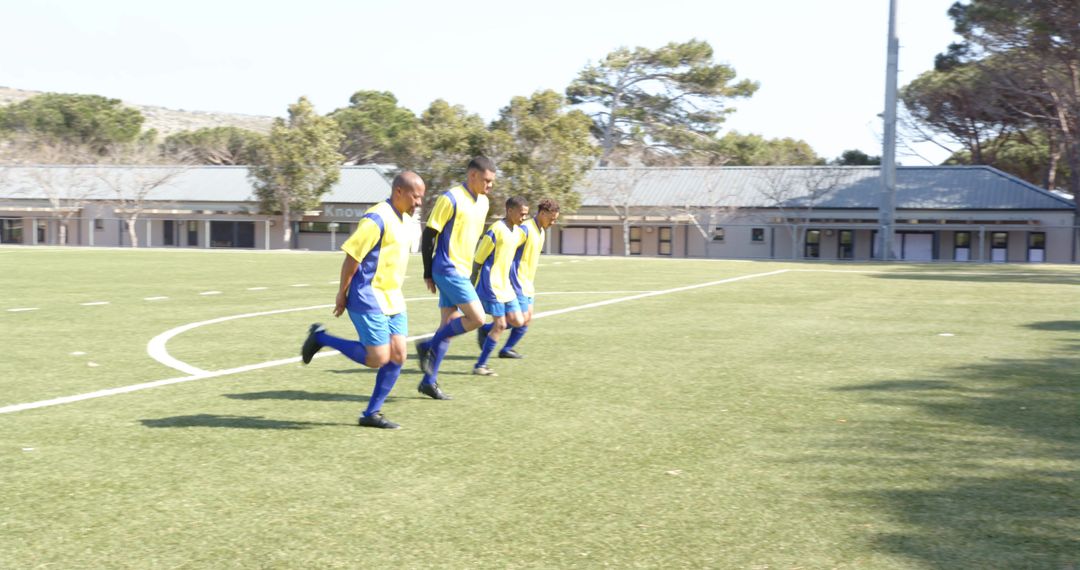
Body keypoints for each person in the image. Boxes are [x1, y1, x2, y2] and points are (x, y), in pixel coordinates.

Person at [300, 171, 426, 429]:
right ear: (399, 192)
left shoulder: (406, 219)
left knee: (399, 356)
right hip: (368, 295)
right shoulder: (376, 218)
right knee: (377, 358)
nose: (419, 203)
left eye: (422, 197)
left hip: (394, 298)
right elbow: (352, 258)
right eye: (416, 196)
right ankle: (320, 338)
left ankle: (371, 413)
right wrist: (342, 293)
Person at [414, 156, 495, 399]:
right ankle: (426, 345)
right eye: (487, 181)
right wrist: (428, 271)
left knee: (448, 326)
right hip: (447, 269)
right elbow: (429, 235)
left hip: (461, 271)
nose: (490, 185)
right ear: (472, 175)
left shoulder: (484, 203)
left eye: (492, 182)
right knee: (478, 318)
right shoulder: (450, 199)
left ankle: (429, 381)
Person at [480, 198, 560, 359]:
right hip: (516, 281)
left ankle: (505, 348)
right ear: (542, 213)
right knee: (521, 318)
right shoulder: (525, 229)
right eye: (552, 219)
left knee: (526, 319)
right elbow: (507, 248)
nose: (553, 222)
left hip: (527, 282)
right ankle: (488, 330)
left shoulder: (541, 231)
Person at [470, 197, 529, 376]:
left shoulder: (519, 232)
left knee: (519, 321)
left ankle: (485, 330)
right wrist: (472, 281)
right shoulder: (496, 230)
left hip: (506, 286)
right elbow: (479, 258)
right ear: (509, 210)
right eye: (521, 213)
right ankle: (480, 365)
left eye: (526, 214)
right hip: (492, 285)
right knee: (501, 325)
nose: (524, 217)